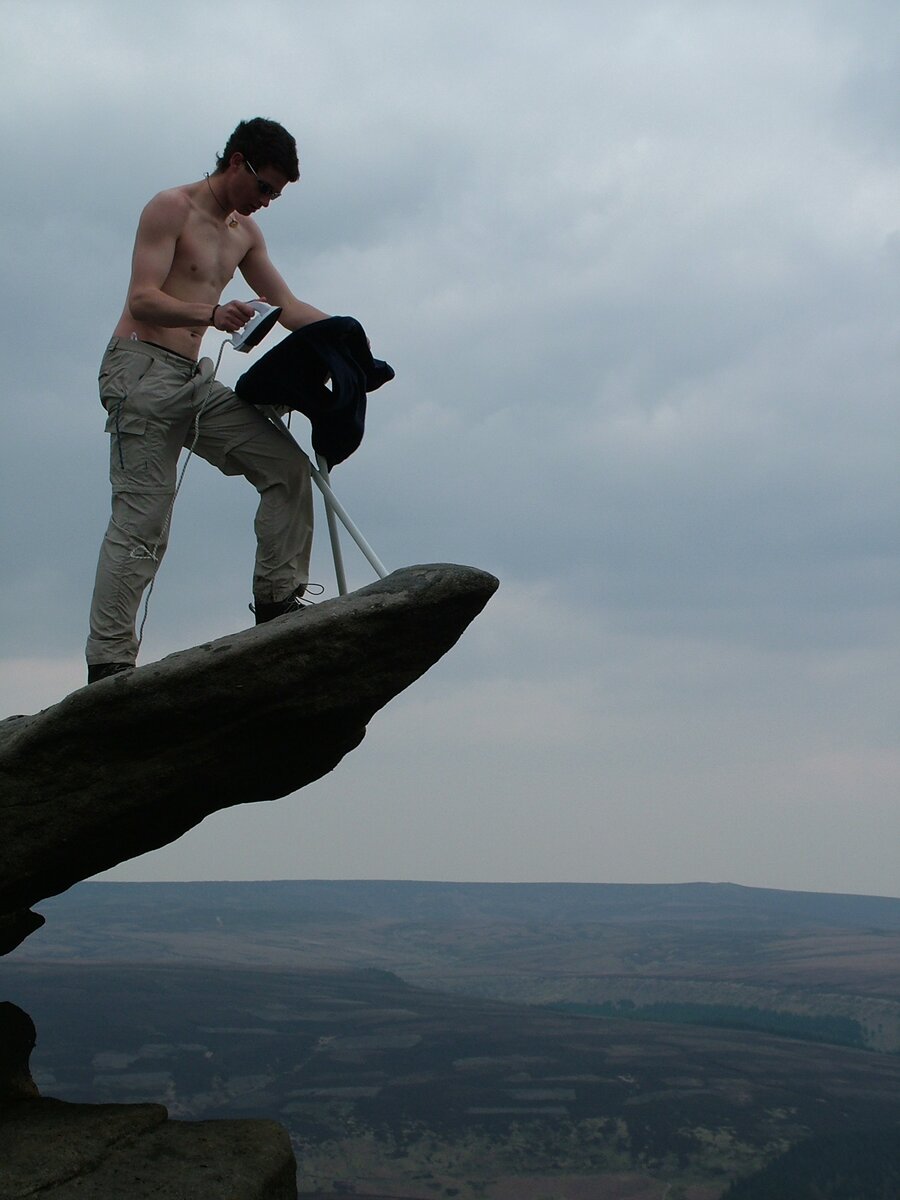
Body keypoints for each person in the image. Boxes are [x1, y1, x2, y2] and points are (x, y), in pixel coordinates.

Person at [85, 118, 329, 684]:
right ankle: (109, 665)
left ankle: (276, 603)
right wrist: (212, 315)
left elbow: (286, 305)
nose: (267, 202)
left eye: (277, 195)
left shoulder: (244, 232)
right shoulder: (170, 207)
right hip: (139, 371)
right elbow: (143, 300)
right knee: (142, 523)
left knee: (286, 469)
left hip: (193, 381)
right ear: (237, 161)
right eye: (264, 187)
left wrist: (350, 337)